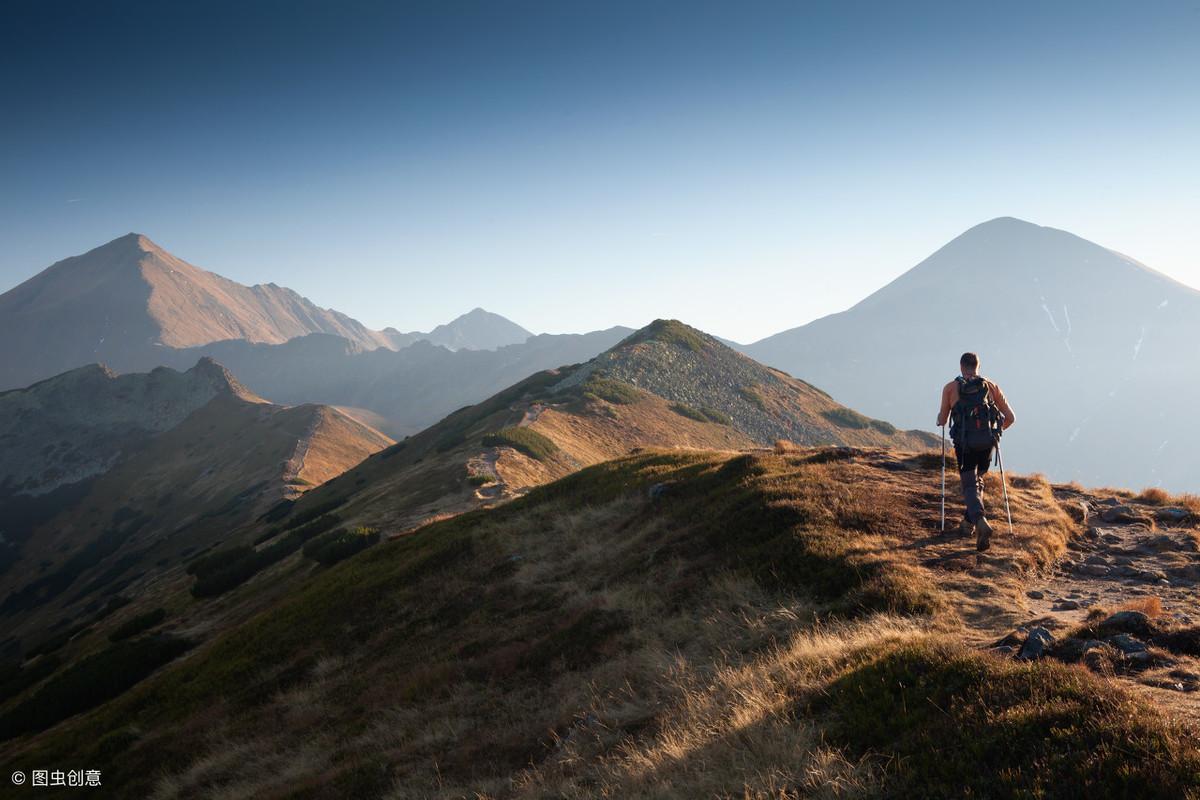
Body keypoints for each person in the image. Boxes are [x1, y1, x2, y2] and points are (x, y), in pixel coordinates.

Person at [936, 352, 1015, 551]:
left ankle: (980, 520)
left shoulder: (951, 388)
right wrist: (995, 432)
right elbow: (1010, 417)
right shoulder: (991, 386)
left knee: (969, 484)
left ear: (961, 366)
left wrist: (940, 418)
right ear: (978, 366)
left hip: (965, 444)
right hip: (987, 443)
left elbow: (943, 419)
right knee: (978, 481)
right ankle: (968, 525)